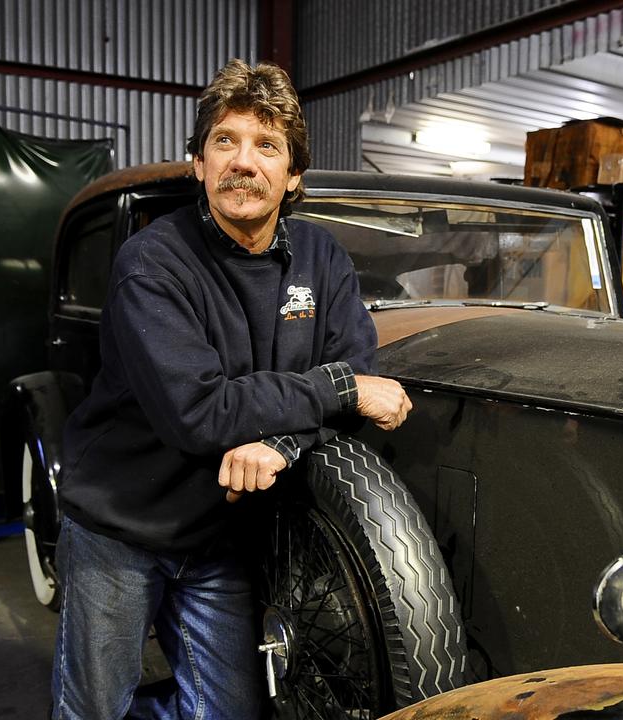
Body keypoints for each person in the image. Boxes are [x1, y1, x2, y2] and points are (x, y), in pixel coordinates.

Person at [49, 58, 412, 719]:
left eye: (266, 145)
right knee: (96, 705)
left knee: (230, 712)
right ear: (198, 162)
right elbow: (202, 411)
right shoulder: (153, 262)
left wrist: (283, 440)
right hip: (122, 525)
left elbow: (357, 368)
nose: (244, 162)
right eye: (225, 141)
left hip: (221, 538)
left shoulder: (321, 257)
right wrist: (337, 389)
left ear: (293, 174)